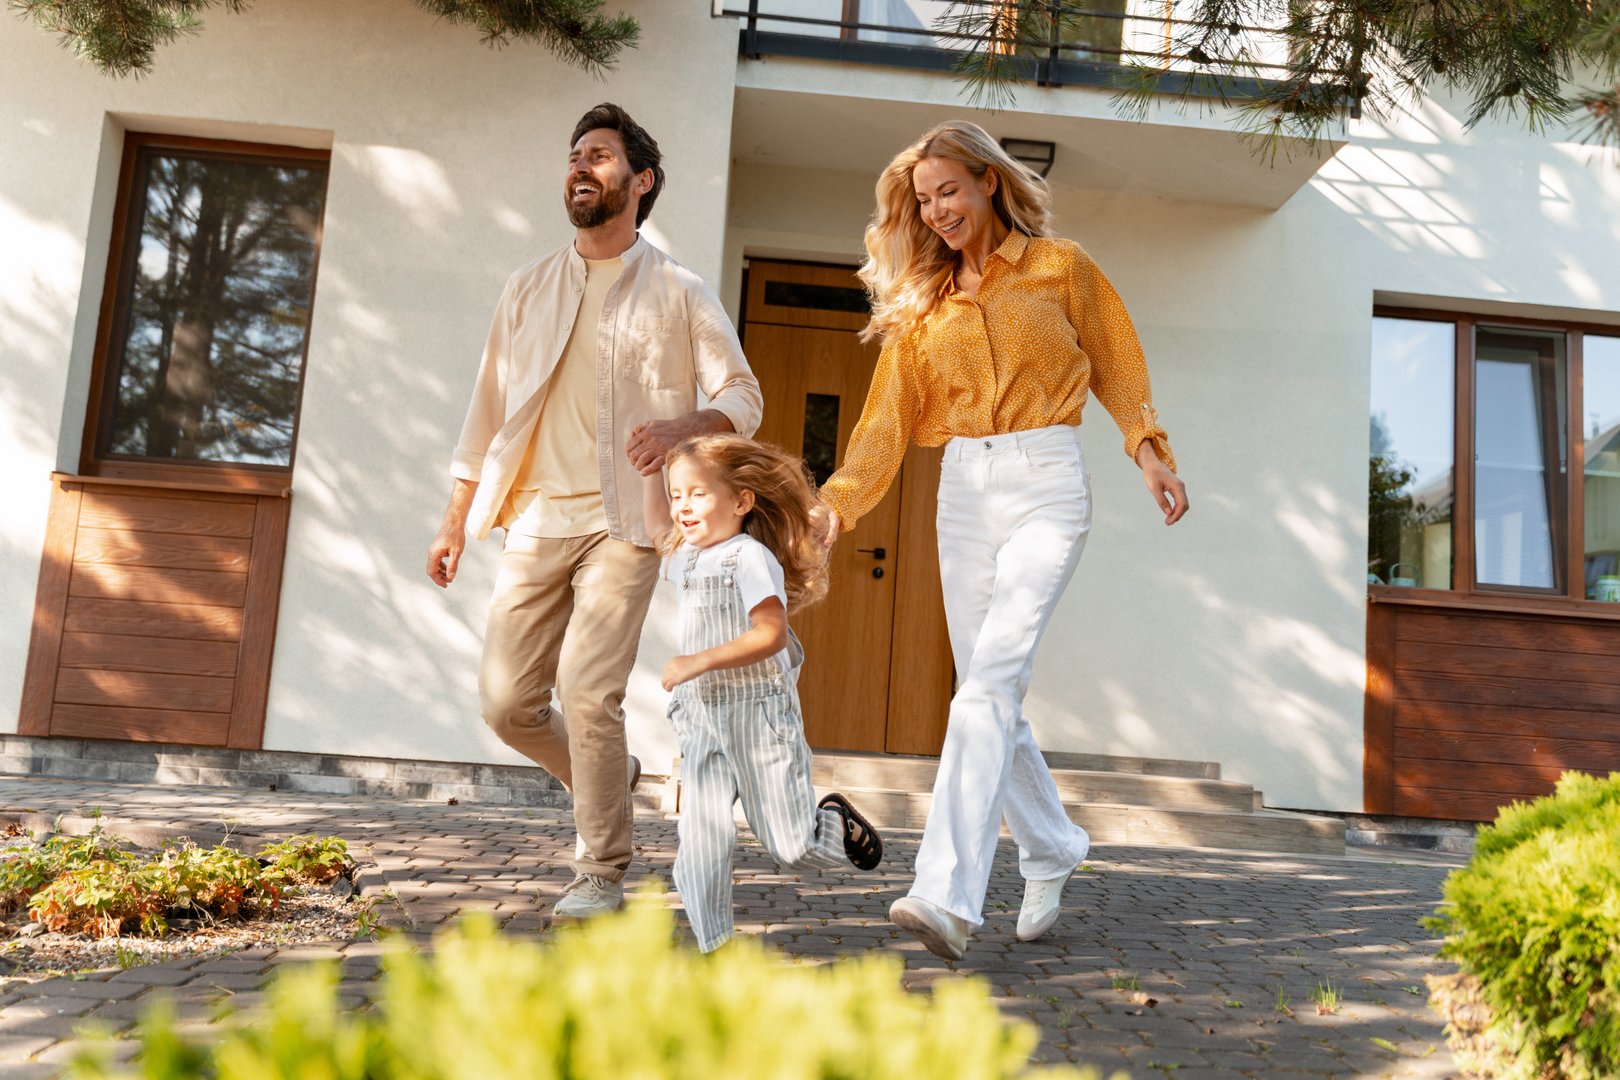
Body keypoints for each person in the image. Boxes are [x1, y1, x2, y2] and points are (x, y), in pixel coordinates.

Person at [817, 120, 1189, 961]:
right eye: (923, 200)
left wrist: (1149, 451)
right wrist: (835, 507)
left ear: (988, 180)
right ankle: (1054, 846)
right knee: (993, 692)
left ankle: (945, 893)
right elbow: (883, 427)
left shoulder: (1064, 268)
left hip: (1048, 486)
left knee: (984, 686)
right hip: (963, 494)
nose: (937, 210)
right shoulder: (923, 304)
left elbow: (1118, 363)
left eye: (948, 190)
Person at [426, 103, 763, 922]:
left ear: (640, 182)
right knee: (506, 704)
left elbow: (743, 395)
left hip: (627, 524)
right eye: (576, 154)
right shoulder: (528, 287)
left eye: (602, 156)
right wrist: (452, 521)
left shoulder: (680, 292)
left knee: (587, 689)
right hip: (538, 517)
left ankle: (601, 872)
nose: (581, 166)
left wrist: (689, 427)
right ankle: (608, 778)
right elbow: (485, 412)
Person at [644, 434, 883, 952]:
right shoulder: (683, 556)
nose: (682, 506)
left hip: (758, 716)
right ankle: (716, 948)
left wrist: (698, 660)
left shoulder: (748, 558)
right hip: (703, 718)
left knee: (792, 846)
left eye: (698, 494)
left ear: (741, 500)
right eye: (676, 494)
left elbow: (769, 634)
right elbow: (652, 524)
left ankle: (834, 825)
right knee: (701, 842)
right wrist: (648, 463)